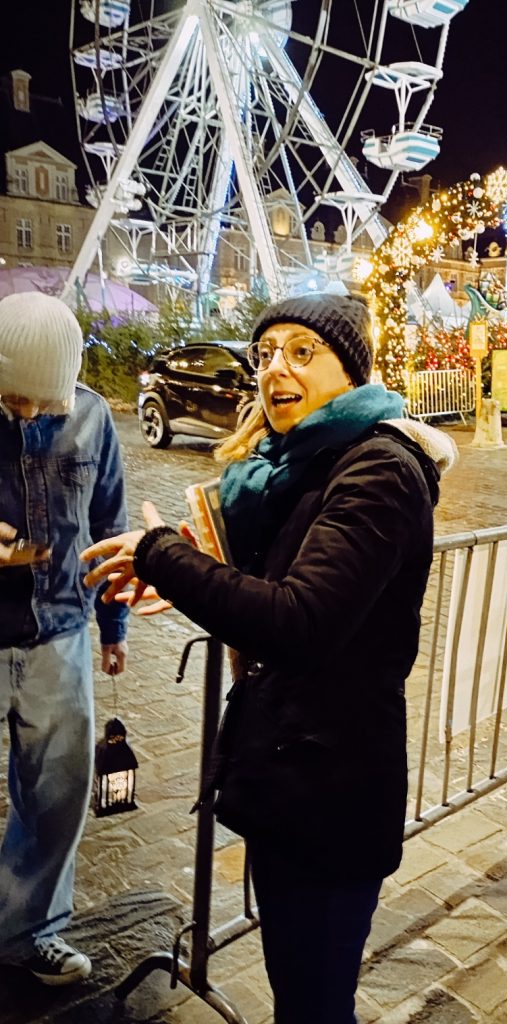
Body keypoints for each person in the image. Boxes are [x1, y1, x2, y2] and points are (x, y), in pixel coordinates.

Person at [81, 293, 457, 1023]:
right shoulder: (301, 466)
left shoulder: (379, 470)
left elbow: (297, 620)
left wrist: (161, 555)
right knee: (298, 986)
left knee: (313, 1005)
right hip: (288, 773)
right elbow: (268, 583)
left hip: (333, 790)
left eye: (302, 351)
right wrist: (186, 561)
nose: (276, 367)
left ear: (351, 369)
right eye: (265, 353)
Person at [0, 293, 129, 986]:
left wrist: (113, 627)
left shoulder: (93, 417)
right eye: (12, 399)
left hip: (61, 630)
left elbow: (109, 525)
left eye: (42, 403)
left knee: (57, 799)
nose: (27, 415)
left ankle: (29, 930)